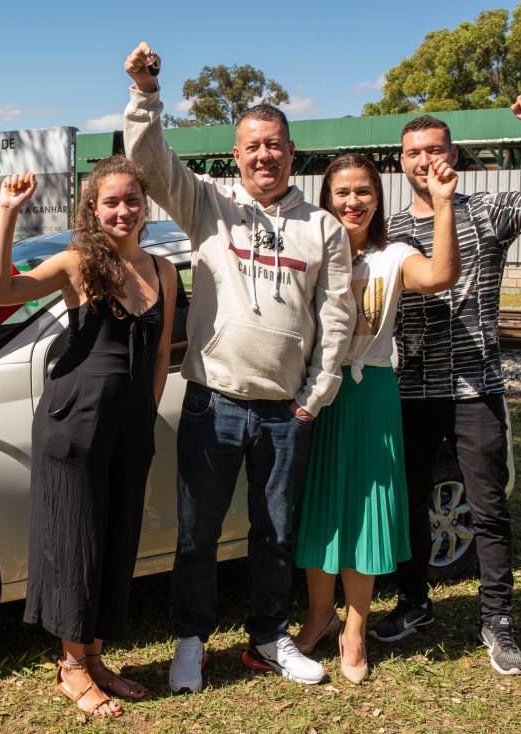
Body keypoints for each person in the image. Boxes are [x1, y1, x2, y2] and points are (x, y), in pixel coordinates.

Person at [123, 41, 355, 691]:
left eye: (275, 143)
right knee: (196, 535)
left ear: (291, 149)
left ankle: (267, 638)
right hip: (212, 402)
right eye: (253, 144)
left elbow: (337, 317)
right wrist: (144, 95)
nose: (265, 154)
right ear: (237, 154)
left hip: (286, 410)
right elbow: (148, 162)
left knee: (276, 533)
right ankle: (191, 642)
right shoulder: (208, 204)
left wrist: (318, 391)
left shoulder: (322, 228)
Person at [369, 94, 521, 676]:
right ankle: (414, 604)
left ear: (453, 155)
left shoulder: (486, 210)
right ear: (401, 163)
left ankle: (498, 620)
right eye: (413, 152)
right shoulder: (387, 228)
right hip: (409, 388)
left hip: (477, 386)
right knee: (410, 504)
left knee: (487, 508)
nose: (424, 160)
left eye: (434, 149)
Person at [0, 158, 177, 718]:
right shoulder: (78, 263)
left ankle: (93, 657)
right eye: (111, 201)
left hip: (131, 424)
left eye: (132, 200)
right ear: (93, 208)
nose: (123, 210)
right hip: (76, 421)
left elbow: (161, 350)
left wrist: (147, 407)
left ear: (145, 205)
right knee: (77, 539)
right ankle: (71, 666)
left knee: (117, 540)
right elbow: (0, 292)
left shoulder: (162, 271)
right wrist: (7, 215)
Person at [294, 153, 459, 684]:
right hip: (319, 390)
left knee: (365, 509)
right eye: (342, 192)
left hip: (371, 393)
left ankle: (356, 630)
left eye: (364, 191)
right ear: (326, 199)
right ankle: (319, 618)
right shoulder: (311, 250)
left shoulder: (395, 254)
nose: (353, 201)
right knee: (321, 507)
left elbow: (440, 275)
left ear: (378, 198)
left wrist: (444, 204)